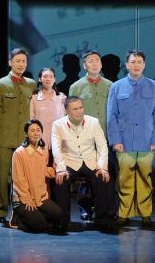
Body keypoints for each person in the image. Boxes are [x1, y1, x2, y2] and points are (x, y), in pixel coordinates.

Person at [107, 50, 155, 228]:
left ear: (144, 65)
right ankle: (124, 214)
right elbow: (111, 116)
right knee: (125, 178)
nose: (136, 65)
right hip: (124, 141)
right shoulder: (117, 87)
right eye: (132, 62)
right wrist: (115, 140)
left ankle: (146, 214)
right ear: (127, 65)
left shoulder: (154, 86)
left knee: (145, 178)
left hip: (147, 140)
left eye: (139, 62)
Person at [50, 96, 115, 232]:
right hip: (69, 161)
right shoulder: (58, 124)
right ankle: (61, 221)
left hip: (90, 161)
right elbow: (56, 149)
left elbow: (102, 146)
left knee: (104, 178)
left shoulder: (93, 122)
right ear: (66, 110)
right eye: (75, 109)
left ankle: (103, 220)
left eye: (81, 107)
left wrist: (102, 167)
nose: (79, 111)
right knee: (59, 181)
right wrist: (61, 168)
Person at [0, 47, 37, 224]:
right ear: (10, 63)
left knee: (22, 177)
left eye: (23, 61)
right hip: (4, 139)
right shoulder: (0, 84)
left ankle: (20, 209)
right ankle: (0, 210)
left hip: (24, 140)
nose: (21, 64)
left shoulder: (31, 84)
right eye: (17, 61)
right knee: (1, 176)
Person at [68, 50, 113, 220]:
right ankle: (85, 207)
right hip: (85, 139)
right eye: (90, 61)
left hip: (105, 138)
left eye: (97, 61)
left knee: (105, 175)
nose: (94, 64)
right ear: (84, 65)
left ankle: (105, 211)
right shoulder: (76, 87)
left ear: (101, 64)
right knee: (86, 174)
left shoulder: (110, 85)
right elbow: (71, 114)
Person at [10, 119, 64, 234]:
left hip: (40, 198)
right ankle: (18, 218)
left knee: (59, 214)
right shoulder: (19, 153)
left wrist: (56, 170)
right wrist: (27, 199)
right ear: (26, 134)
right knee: (41, 225)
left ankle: (35, 216)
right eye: (32, 130)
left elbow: (43, 171)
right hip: (23, 198)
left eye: (38, 130)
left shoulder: (44, 151)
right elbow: (18, 180)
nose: (36, 133)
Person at [29, 67, 65, 137]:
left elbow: (63, 120)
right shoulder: (34, 98)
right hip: (39, 137)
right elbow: (31, 120)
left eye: (51, 77)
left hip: (56, 137)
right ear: (40, 79)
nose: (48, 79)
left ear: (54, 79)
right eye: (45, 77)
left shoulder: (61, 98)